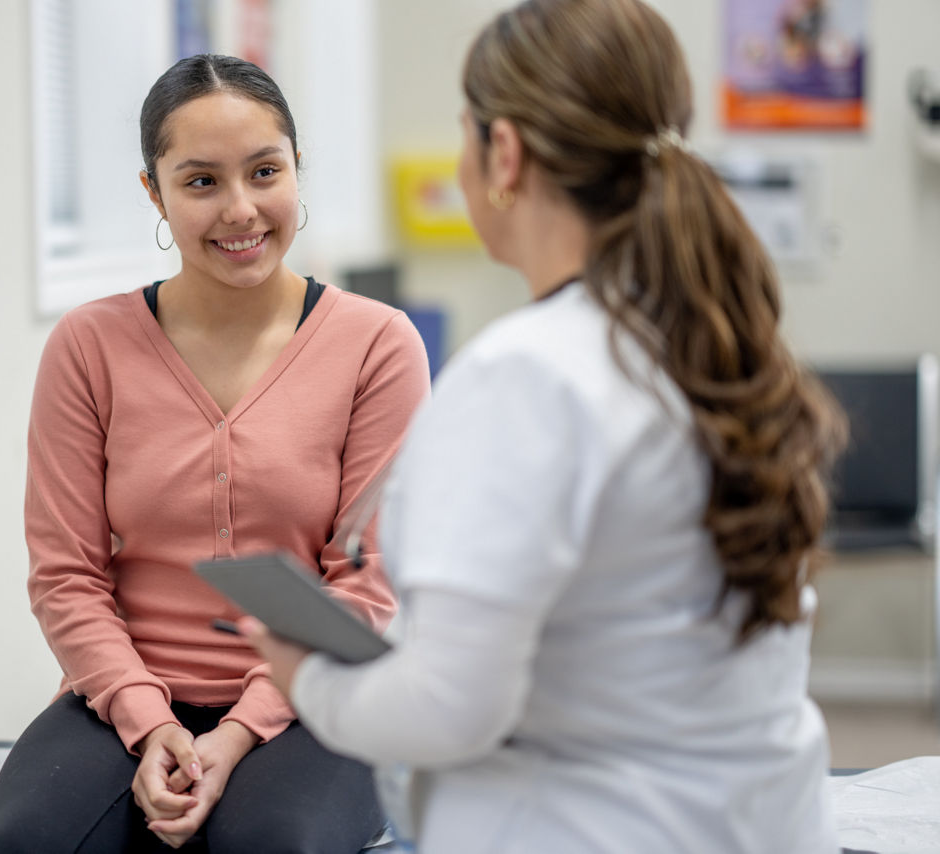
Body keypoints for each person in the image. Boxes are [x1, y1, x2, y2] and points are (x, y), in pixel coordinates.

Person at [244, 2, 848, 852]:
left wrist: (306, 679)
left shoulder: (525, 375)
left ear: (506, 155)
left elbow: (447, 710)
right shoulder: (706, 343)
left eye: (465, 134)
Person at [0, 54, 430, 853]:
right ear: (154, 191)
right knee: (31, 842)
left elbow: (367, 584)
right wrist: (149, 722)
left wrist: (236, 735)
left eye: (265, 171)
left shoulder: (377, 345)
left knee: (270, 844)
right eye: (200, 182)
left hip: (316, 699)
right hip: (121, 700)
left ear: (298, 169)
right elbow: (66, 573)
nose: (241, 210)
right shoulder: (89, 346)